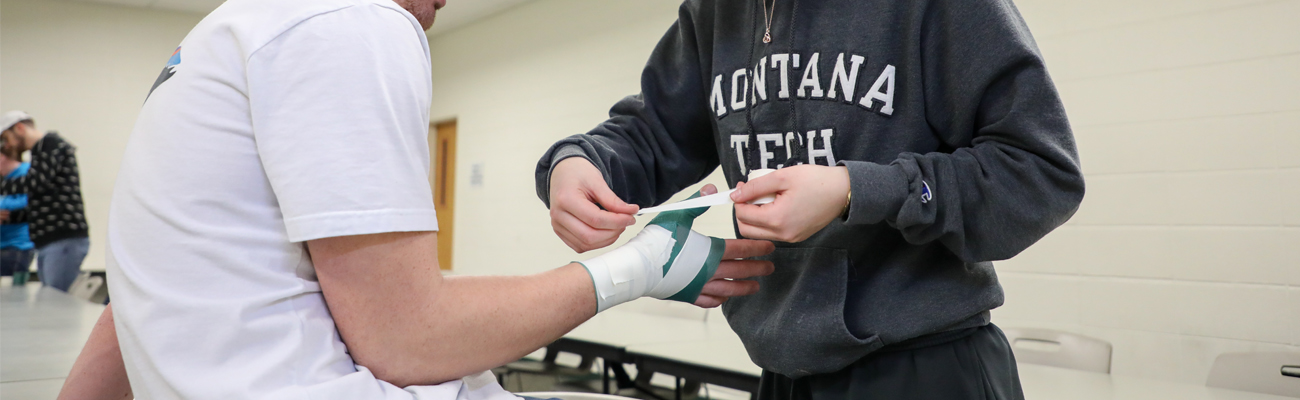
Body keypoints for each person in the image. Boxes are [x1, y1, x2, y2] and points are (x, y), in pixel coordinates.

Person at [55, 0, 775, 399]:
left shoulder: (215, 37)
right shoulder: (354, 24)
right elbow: (407, 341)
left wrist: (575, 158)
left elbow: (147, 292)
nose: (441, 5)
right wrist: (643, 265)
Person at [535, 0, 1086, 398]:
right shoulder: (713, 14)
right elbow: (652, 134)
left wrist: (857, 190)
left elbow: (1040, 173)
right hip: (784, 376)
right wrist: (578, 160)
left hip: (928, 367)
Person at [0, 110, 90, 292]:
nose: (7, 146)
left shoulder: (51, 144)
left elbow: (35, 182)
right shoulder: (41, 152)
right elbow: (40, 203)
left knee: (56, 303)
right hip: (51, 242)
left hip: (62, 239)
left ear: (19, 128)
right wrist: (8, 217)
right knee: (52, 301)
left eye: (6, 139)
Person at [1, 150, 36, 285]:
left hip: (19, 246)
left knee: (15, 296)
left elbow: (27, 201)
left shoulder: (26, 172)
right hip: (4, 244)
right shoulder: (4, 177)